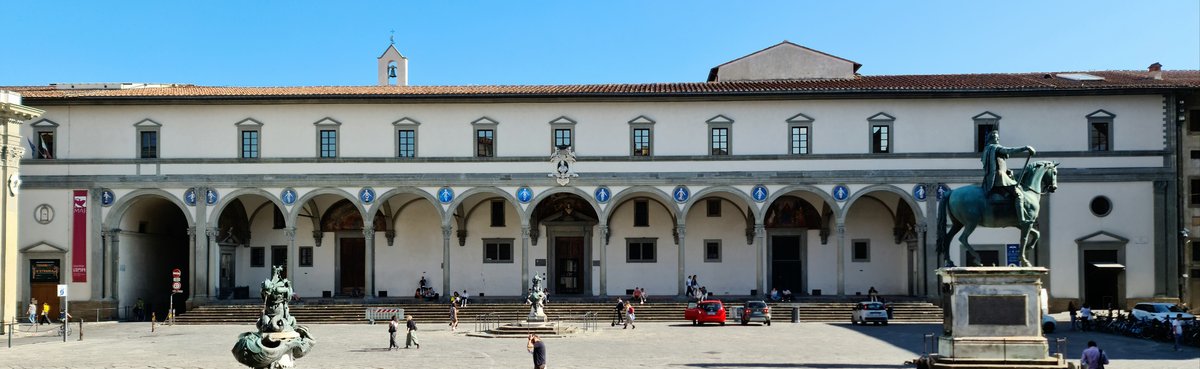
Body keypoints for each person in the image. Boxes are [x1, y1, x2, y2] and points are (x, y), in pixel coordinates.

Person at [980, 130, 1036, 223]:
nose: (997, 139)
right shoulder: (995, 148)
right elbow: (1009, 150)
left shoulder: (988, 149)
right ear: (990, 139)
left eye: (998, 138)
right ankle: (1022, 219)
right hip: (1000, 177)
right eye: (995, 137)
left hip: (996, 176)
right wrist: (1025, 148)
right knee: (1019, 195)